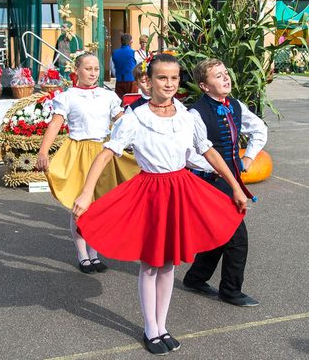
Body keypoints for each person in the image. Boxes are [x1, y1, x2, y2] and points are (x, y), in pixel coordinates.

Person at [72, 53, 247, 355]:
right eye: (162, 78)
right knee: (151, 264)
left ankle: (162, 324)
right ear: (148, 81)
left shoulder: (187, 115)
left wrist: (235, 187)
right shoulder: (135, 118)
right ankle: (150, 328)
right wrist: (87, 193)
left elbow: (208, 153)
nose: (168, 83)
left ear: (180, 81)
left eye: (174, 78)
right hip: (150, 192)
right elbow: (105, 154)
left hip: (180, 189)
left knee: (168, 263)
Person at [36, 52, 140, 274]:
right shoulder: (68, 96)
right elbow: (55, 125)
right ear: (77, 70)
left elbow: (122, 121)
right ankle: (82, 255)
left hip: (103, 151)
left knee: (100, 205)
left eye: (96, 69)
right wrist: (43, 151)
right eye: (88, 68)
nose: (93, 73)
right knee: (80, 206)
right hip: (78, 151)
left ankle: (94, 254)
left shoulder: (107, 95)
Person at [182, 58, 267, 307]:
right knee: (236, 237)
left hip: (232, 179)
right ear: (204, 86)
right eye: (217, 76)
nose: (225, 78)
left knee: (222, 233)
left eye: (225, 73)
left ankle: (196, 278)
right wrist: (216, 169)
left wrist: (248, 158)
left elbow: (259, 129)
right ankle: (230, 290)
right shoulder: (195, 114)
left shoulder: (236, 106)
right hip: (210, 181)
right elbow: (191, 153)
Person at [112, 34, 137, 99]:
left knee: (120, 101)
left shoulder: (115, 52)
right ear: (130, 42)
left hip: (119, 79)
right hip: (131, 80)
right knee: (132, 100)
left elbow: (112, 66)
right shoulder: (133, 52)